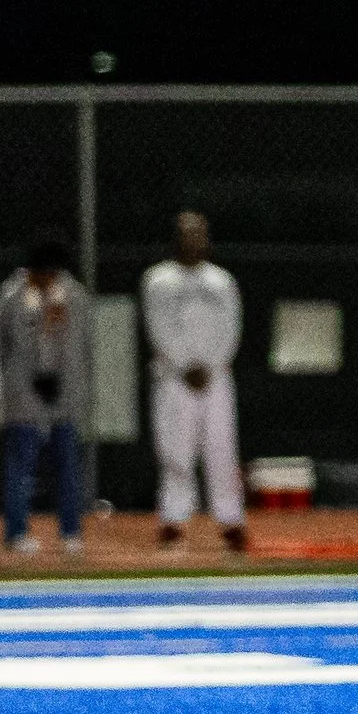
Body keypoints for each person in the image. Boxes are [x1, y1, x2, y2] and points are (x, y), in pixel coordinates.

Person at [142, 211, 247, 551]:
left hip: (215, 379)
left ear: (207, 239)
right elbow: (157, 327)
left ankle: (231, 521)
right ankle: (173, 520)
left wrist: (212, 365)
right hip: (175, 379)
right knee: (175, 450)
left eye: (198, 234)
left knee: (221, 449)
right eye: (186, 234)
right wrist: (184, 365)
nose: (192, 241)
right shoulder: (158, 280)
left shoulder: (222, 281)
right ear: (176, 239)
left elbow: (232, 328)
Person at [0, 242, 92, 556]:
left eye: (53, 273)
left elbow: (82, 348)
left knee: (66, 465)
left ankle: (70, 532)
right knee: (21, 466)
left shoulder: (74, 295)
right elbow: (3, 346)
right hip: (24, 392)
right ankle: (16, 532)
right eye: (42, 273)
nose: (47, 279)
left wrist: (67, 385)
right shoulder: (12, 295)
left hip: (63, 392)